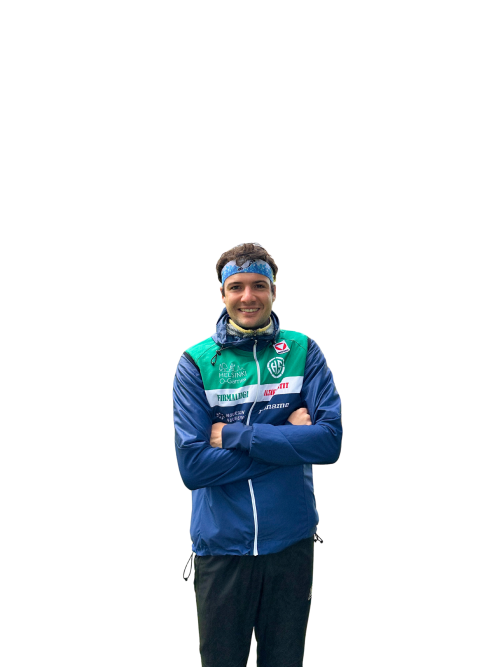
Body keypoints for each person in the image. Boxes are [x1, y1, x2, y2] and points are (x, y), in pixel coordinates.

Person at [173, 242, 342, 667]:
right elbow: (193, 468)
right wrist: (288, 439)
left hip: (291, 541)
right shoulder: (194, 362)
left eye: (259, 286)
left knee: (284, 660)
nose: (248, 296)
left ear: (275, 291)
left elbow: (328, 443)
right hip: (221, 545)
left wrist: (235, 435)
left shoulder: (305, 350)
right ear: (222, 294)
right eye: (236, 287)